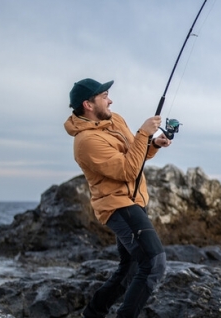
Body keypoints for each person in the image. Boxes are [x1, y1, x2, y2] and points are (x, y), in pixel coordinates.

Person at [64, 78, 172, 318]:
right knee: (155, 263)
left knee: (132, 268)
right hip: (118, 206)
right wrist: (144, 131)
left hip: (136, 201)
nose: (110, 100)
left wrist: (152, 144)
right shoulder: (86, 142)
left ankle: (92, 313)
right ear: (88, 105)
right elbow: (127, 170)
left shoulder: (115, 119)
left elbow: (134, 154)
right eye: (104, 96)